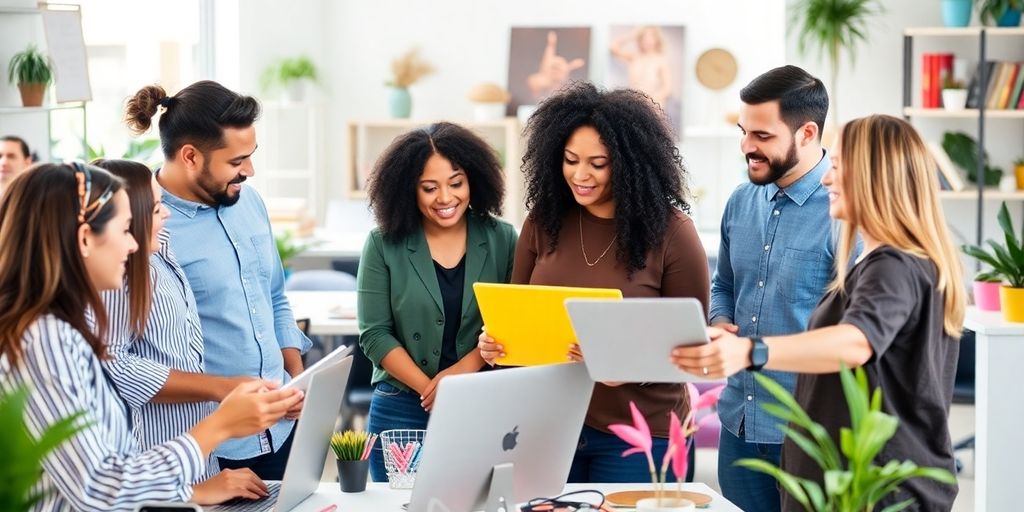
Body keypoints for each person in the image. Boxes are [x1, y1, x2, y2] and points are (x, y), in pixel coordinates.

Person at [672, 114, 965, 511]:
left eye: (839, 168)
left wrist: (750, 351)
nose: (827, 178)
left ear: (874, 177)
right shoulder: (888, 263)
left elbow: (856, 342)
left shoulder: (893, 266)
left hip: (873, 490)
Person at [0, 162, 304, 510]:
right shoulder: (44, 339)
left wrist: (188, 491)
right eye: (126, 229)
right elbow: (99, 488)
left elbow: (109, 466)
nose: (134, 245)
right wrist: (219, 426)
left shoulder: (59, 331)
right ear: (85, 238)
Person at [478, 82, 709, 483]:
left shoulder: (673, 233)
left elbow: (692, 345)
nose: (580, 175)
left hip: (641, 434)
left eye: (598, 164)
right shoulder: (542, 221)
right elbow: (518, 318)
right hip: (550, 426)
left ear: (631, 164)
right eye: (570, 160)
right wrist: (498, 346)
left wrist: (628, 367)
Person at [125, 81, 312, 480]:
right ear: (190, 156)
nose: (249, 171)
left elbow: (275, 297)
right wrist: (223, 388)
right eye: (236, 161)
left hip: (282, 431)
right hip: (211, 446)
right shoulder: (142, 229)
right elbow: (127, 360)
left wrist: (294, 377)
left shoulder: (250, 202)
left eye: (251, 156)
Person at [706, 65, 836, 512]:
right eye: (744, 131)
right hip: (738, 425)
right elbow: (722, 284)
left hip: (809, 433)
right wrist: (720, 322)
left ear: (806, 133)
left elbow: (858, 332)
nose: (746, 146)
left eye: (761, 135)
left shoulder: (845, 211)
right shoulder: (741, 201)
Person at [358, 122, 518, 482]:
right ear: (407, 190)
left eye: (456, 183)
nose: (445, 198)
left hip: (481, 400)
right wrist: (429, 388)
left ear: (474, 180)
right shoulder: (383, 243)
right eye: (429, 188)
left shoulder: (503, 239)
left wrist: (456, 377)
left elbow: (509, 326)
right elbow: (374, 334)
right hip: (400, 405)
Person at [93, 159, 256, 483]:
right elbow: (113, 362)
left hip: (192, 466)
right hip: (155, 470)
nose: (165, 213)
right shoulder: (116, 272)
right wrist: (221, 388)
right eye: (155, 208)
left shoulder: (161, 253)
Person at [609, 26, 671, 106]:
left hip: (652, 105)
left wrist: (652, 99)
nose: (647, 39)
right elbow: (612, 47)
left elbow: (667, 88)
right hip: (635, 104)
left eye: (651, 36)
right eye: (644, 36)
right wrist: (632, 35)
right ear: (640, 39)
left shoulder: (660, 60)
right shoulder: (634, 57)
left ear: (656, 39)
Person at [527, 31, 586, 100]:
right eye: (553, 68)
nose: (555, 71)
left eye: (558, 69)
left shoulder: (571, 88)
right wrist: (551, 46)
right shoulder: (537, 82)